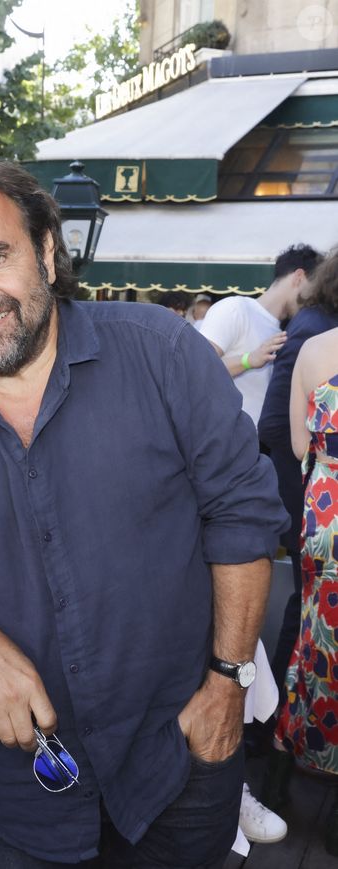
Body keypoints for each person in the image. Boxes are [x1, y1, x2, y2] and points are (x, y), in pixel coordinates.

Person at [0, 159, 288, 869]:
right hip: (21, 786)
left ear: (46, 251)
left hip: (179, 759)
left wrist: (227, 683)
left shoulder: (162, 353)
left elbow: (243, 518)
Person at [262, 326, 338, 857]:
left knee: (316, 646)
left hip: (326, 515)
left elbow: (296, 445)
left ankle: (279, 775)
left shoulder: (313, 348)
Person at [259, 250, 338, 694]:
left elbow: (294, 437)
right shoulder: (311, 329)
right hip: (313, 496)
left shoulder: (314, 336)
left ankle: (293, 716)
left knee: (315, 616)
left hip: (323, 503)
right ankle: (272, 716)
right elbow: (273, 424)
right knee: (307, 609)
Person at [200, 245, 322, 427]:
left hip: (260, 439)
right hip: (226, 438)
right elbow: (195, 369)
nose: (314, 299)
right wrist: (249, 360)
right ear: (299, 277)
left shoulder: (288, 330)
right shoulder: (235, 308)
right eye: (314, 289)